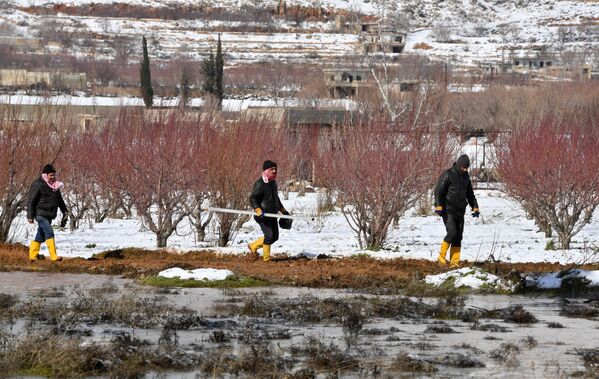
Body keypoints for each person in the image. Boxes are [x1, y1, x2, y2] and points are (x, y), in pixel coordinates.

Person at [434, 154, 480, 269]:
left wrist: (475, 206)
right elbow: (438, 191)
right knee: (452, 233)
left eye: (466, 168)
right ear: (459, 165)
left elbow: (470, 194)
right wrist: (438, 205)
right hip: (448, 210)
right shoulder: (448, 174)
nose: (465, 170)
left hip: (460, 211)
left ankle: (454, 263)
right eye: (463, 167)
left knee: (458, 237)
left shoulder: (466, 177)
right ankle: (441, 258)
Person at [248, 160, 289, 262]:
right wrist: (258, 209)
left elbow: (276, 199)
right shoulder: (260, 184)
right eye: (272, 169)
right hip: (262, 215)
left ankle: (253, 246)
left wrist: (282, 210)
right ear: (266, 170)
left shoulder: (273, 183)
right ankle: (266, 259)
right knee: (269, 235)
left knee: (274, 237)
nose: (274, 171)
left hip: (272, 215)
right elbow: (253, 198)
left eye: (275, 169)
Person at [27, 164, 69, 262]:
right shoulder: (38, 184)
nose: (53, 177)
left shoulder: (55, 186)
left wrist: (65, 212)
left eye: (54, 175)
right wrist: (30, 216)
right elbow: (31, 201)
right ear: (45, 175)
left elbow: (60, 200)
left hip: (50, 215)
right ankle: (54, 256)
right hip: (40, 214)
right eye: (51, 175)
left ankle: (32, 256)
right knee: (49, 232)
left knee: (40, 235)